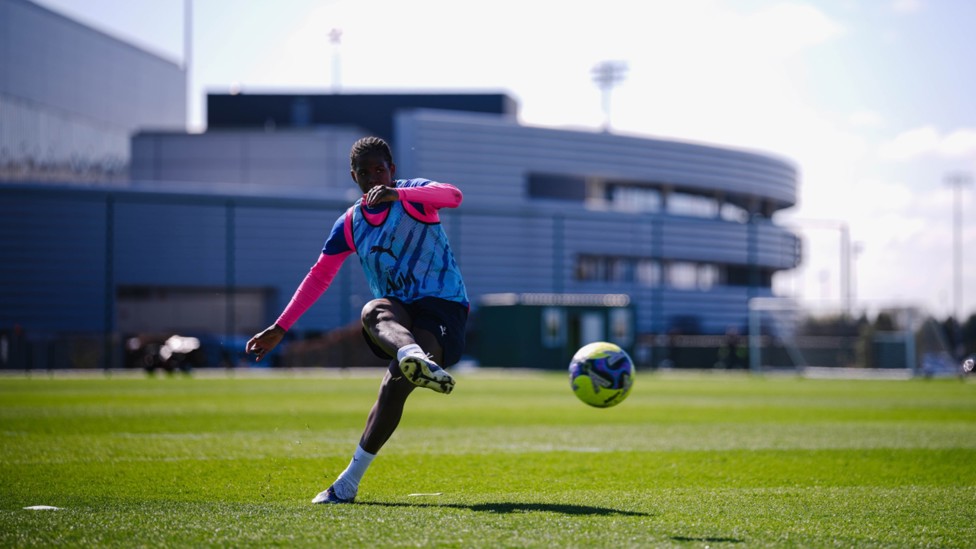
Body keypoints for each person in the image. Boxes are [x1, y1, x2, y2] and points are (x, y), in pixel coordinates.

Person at [245, 136, 469, 504]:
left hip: (443, 306)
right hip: (399, 313)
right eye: (364, 173)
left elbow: (454, 196)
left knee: (394, 386)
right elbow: (319, 276)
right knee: (371, 312)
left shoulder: (414, 194)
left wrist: (398, 194)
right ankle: (411, 357)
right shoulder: (350, 222)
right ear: (354, 177)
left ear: (392, 170)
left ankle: (348, 480)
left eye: (380, 170)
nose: (373, 178)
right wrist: (280, 327)